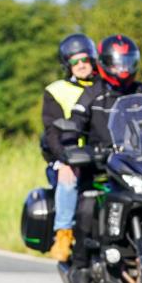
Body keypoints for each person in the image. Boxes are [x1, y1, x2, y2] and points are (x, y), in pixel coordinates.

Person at [60, 34, 142, 283]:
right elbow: (74, 124)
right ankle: (81, 266)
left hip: (139, 164)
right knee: (88, 203)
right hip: (101, 168)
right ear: (104, 63)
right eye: (117, 63)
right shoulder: (92, 94)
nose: (122, 69)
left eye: (127, 62)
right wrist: (71, 145)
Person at [41, 33, 99, 262]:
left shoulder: (105, 87)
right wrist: (64, 157)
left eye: (85, 59)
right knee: (68, 177)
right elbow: (52, 131)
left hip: (102, 154)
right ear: (68, 65)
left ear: (93, 59)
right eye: (75, 61)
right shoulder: (56, 90)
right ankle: (63, 234)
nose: (81, 65)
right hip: (70, 155)